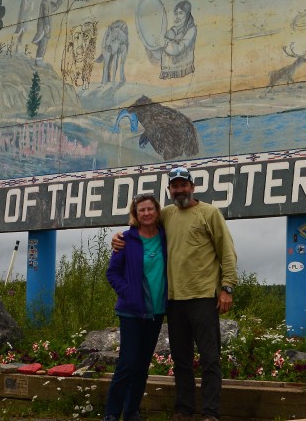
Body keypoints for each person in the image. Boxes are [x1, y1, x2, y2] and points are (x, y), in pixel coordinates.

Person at [113, 165, 238, 421]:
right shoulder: (167, 214)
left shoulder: (210, 213)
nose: (179, 189)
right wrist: (119, 238)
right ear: (169, 190)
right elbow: (141, 225)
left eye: (184, 184)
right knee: (181, 359)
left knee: (210, 358)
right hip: (173, 300)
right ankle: (183, 410)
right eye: (175, 186)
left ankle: (211, 413)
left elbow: (227, 251)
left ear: (192, 186)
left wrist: (227, 288)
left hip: (204, 296)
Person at [103, 193, 168, 421]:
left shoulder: (165, 238)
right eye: (142, 210)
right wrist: (128, 291)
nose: (147, 213)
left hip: (157, 311)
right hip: (131, 311)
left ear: (157, 212)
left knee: (142, 366)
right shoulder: (126, 239)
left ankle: (131, 412)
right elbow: (112, 273)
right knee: (127, 364)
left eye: (150, 209)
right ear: (135, 213)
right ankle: (111, 413)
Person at [160, 0, 197, 80]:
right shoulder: (173, 30)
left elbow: (179, 49)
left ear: (187, 15)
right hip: (169, 75)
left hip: (184, 75)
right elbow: (164, 40)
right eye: (176, 13)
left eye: (181, 13)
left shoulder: (191, 30)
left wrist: (164, 44)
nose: (177, 17)